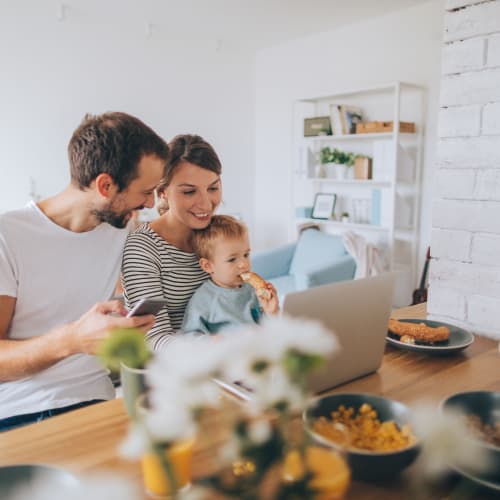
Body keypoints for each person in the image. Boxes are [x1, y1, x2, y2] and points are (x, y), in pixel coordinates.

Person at [0, 112, 168, 431]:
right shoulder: (7, 235)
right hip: (20, 412)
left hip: (96, 405)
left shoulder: (122, 229)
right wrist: (74, 339)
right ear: (105, 185)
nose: (149, 202)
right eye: (145, 191)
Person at [121, 134, 223, 350]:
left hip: (226, 362)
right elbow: (155, 339)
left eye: (213, 188)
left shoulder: (220, 235)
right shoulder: (142, 248)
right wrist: (221, 344)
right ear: (163, 192)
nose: (206, 203)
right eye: (189, 191)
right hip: (174, 370)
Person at [181, 215, 279, 335]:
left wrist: (272, 312)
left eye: (246, 255)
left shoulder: (253, 290)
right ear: (208, 266)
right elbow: (190, 337)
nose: (243, 264)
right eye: (232, 259)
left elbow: (270, 330)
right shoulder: (203, 299)